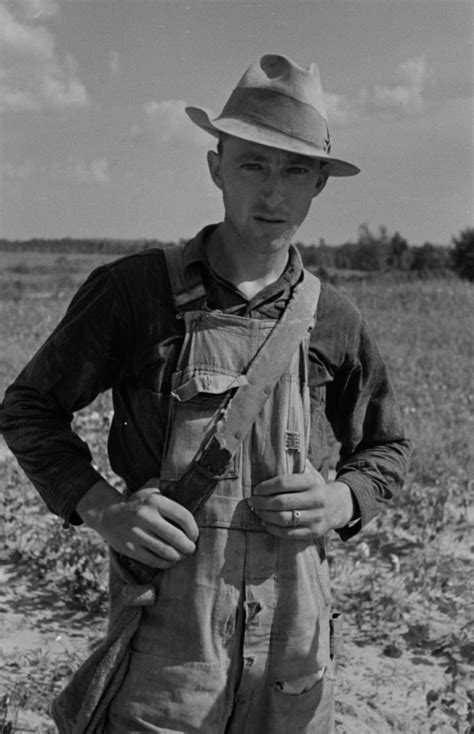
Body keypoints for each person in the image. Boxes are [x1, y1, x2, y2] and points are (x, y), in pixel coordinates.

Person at [0, 54, 410, 733]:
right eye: (253, 164)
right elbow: (28, 407)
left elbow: (387, 445)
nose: (273, 193)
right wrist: (104, 509)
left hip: (292, 636)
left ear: (319, 187)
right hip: (166, 633)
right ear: (216, 167)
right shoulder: (132, 292)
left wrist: (340, 499)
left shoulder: (333, 317)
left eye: (295, 170)